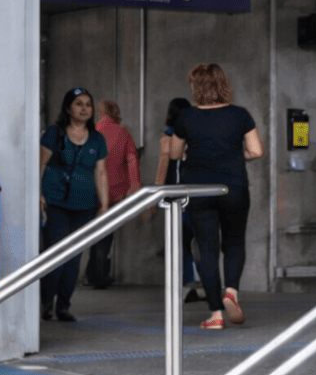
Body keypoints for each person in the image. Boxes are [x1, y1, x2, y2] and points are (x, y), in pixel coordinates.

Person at [169, 64, 264, 330]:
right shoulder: (240, 114)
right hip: (233, 187)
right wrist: (234, 156)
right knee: (234, 242)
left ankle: (215, 314)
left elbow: (174, 154)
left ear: (196, 87)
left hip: (199, 190)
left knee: (206, 248)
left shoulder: (186, 117)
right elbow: (256, 151)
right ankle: (231, 291)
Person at [40, 87, 109, 321]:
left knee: (74, 258)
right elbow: (40, 165)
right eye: (79, 104)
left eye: (88, 105)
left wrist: (104, 205)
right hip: (56, 202)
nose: (84, 109)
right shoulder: (54, 133)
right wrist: (38, 194)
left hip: (85, 205)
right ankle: (46, 304)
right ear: (68, 108)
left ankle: (63, 306)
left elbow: (101, 173)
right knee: (55, 255)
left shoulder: (97, 138)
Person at [85, 100, 141, 289]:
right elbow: (132, 159)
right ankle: (99, 276)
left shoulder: (92, 131)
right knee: (106, 233)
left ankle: (91, 273)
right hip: (116, 190)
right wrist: (134, 186)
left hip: (92, 188)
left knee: (93, 231)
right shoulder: (122, 132)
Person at [154, 96, 203, 301]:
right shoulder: (197, 134)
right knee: (199, 241)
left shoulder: (168, 136)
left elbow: (163, 167)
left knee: (180, 243)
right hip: (197, 194)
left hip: (176, 196)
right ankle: (204, 284)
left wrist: (156, 194)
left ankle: (188, 285)